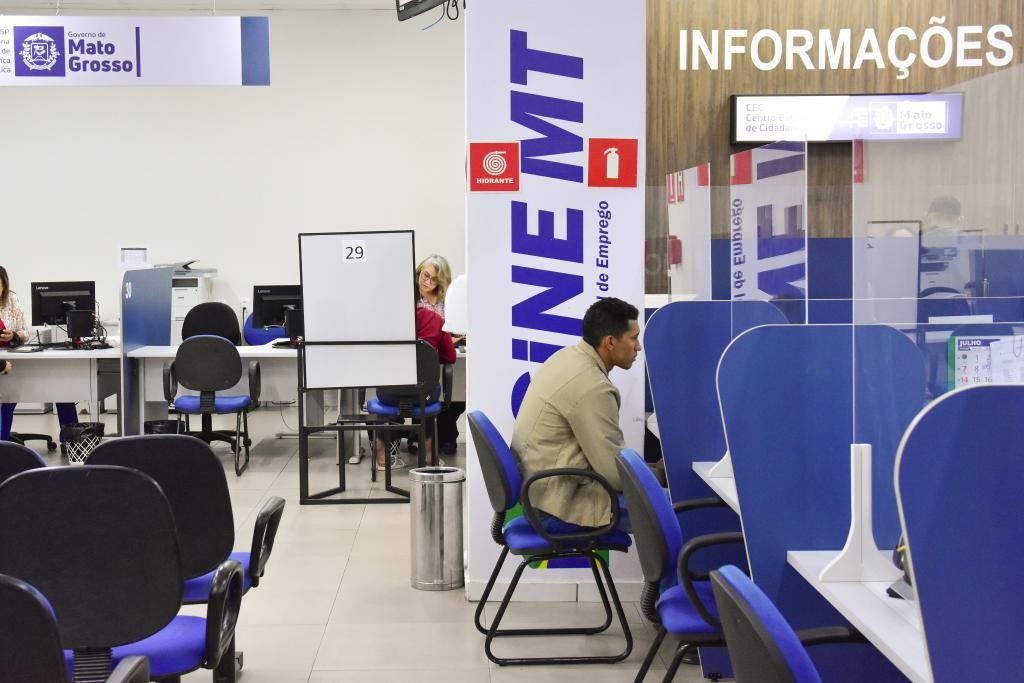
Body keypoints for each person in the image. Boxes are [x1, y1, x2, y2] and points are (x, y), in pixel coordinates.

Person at [511, 297, 642, 531]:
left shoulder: (567, 357)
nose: (638, 347)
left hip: (539, 491)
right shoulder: (594, 387)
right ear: (610, 342)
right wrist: (658, 475)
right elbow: (615, 475)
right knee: (669, 509)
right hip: (556, 506)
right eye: (634, 338)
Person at [373, 285, 457, 470]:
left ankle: (382, 458)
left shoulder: (382, 323)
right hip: (424, 394)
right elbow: (450, 357)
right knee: (426, 391)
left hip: (389, 394)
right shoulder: (436, 320)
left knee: (389, 389)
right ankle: (430, 458)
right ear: (419, 296)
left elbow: (374, 357)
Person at [0, 265, 77, 444]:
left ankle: (70, 440)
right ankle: (3, 444)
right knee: (8, 399)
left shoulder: (12, 299)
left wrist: (14, 335)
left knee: (61, 388)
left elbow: (24, 332)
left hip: (14, 353)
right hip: (3, 363)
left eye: (0, 286)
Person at [415, 254, 465, 455]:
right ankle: (428, 437)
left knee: (457, 394)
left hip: (444, 354)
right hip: (419, 359)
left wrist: (453, 337)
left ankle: (445, 434)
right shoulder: (410, 297)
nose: (427, 282)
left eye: (434, 279)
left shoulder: (448, 301)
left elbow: (457, 329)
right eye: (425, 275)